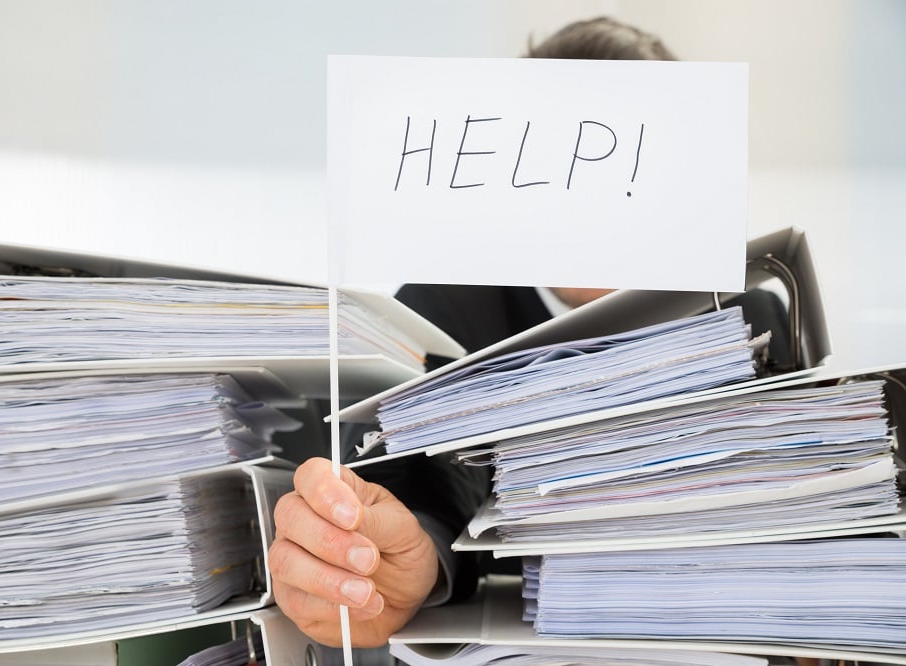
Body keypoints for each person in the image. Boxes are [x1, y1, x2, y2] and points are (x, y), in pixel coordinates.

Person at [267, 16, 753, 651]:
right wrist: (383, 560)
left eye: (620, 155)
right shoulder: (435, 313)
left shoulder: (749, 314)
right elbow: (399, 497)